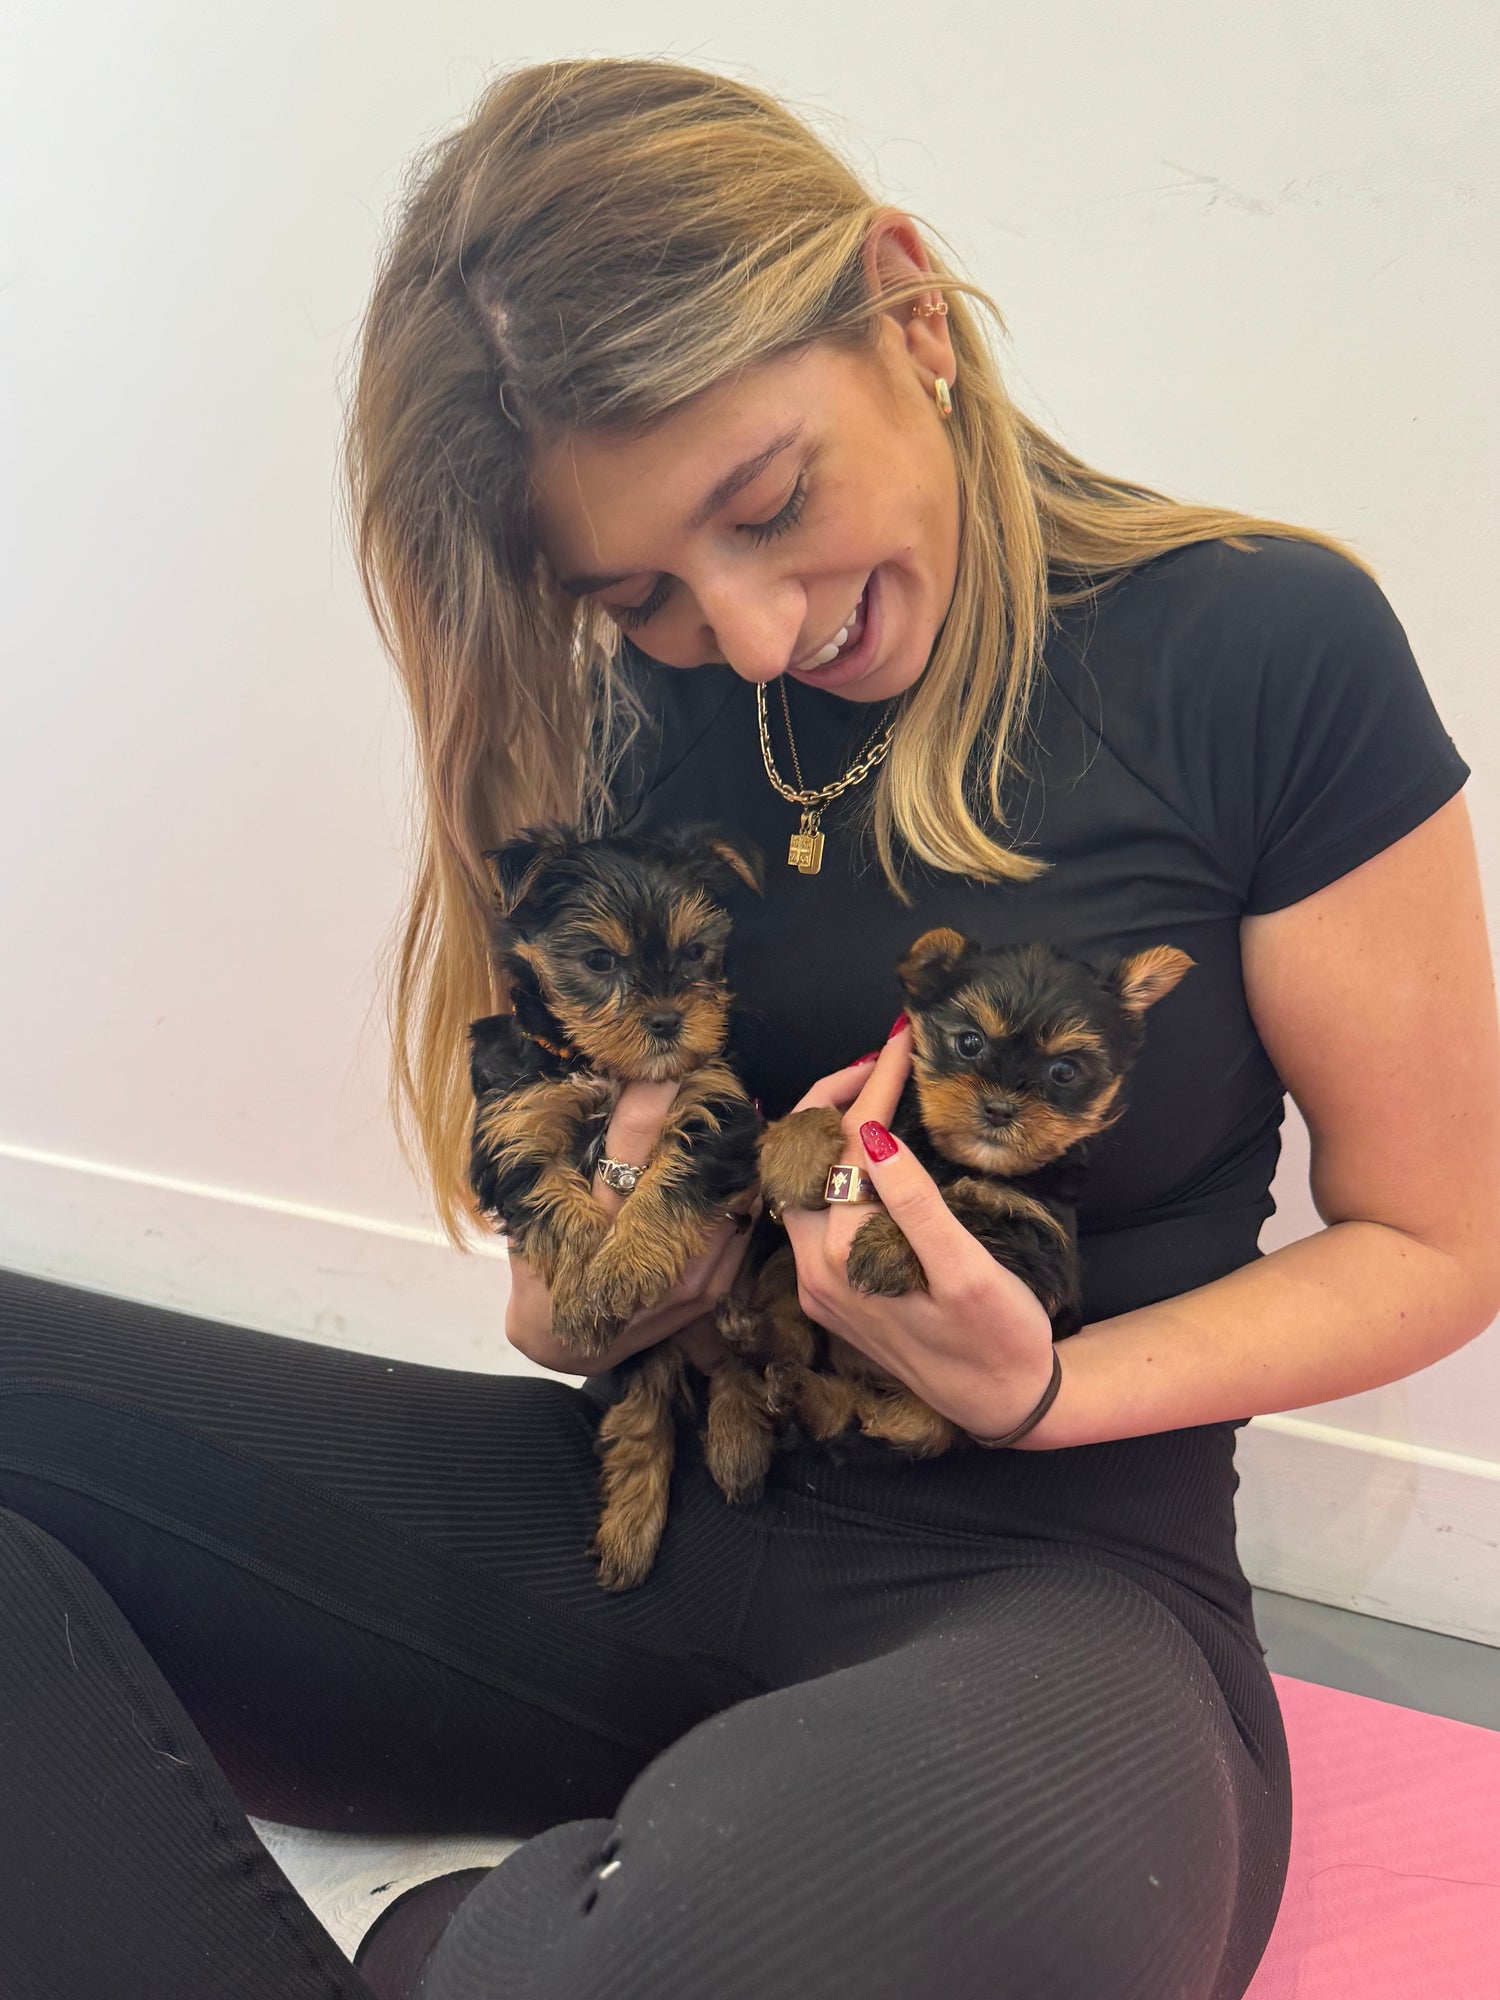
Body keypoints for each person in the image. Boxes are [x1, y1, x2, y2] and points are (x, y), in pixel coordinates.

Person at [2, 52, 1496, 2000]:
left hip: (1053, 1592)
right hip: (629, 1521)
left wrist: (1036, 1387)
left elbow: (1439, 1240)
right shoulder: (623, 713)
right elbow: (553, 1306)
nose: (757, 629)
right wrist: (610, 1268)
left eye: (770, 500)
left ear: (905, 303)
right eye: (645, 595)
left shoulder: (1260, 649)